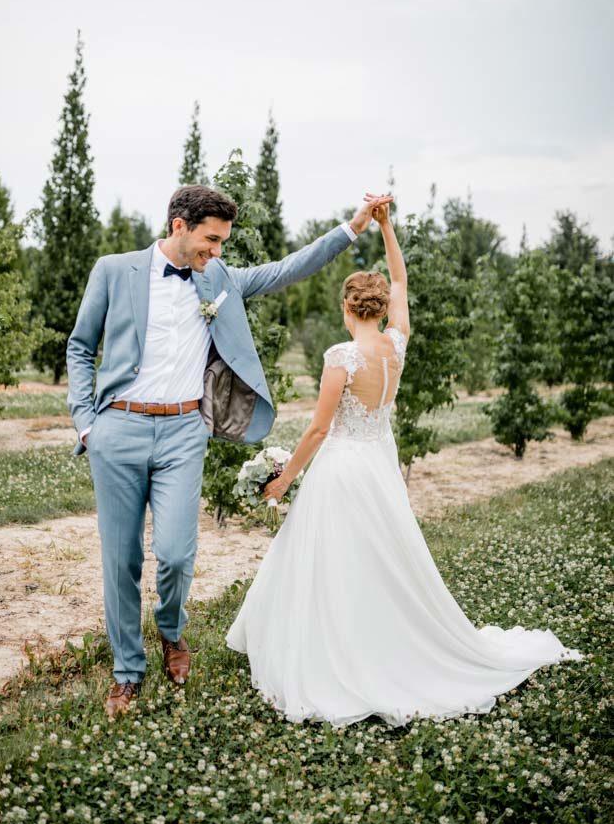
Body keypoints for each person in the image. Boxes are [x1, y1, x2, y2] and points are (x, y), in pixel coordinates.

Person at [226, 193, 583, 726]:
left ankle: (335, 650)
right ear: (378, 308)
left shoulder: (341, 357)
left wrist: (283, 479)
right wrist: (387, 228)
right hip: (378, 466)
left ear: (347, 308)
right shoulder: (397, 344)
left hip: (342, 469)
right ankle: (379, 639)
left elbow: (319, 429)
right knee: (378, 557)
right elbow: (401, 281)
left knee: (334, 560)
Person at [66, 183, 383, 718]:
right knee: (120, 560)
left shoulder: (220, 278)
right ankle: (126, 672)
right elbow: (79, 346)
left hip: (183, 432)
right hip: (117, 430)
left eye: (222, 243)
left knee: (175, 553)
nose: (217, 251)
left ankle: (171, 630)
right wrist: (86, 425)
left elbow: (288, 269)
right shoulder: (114, 271)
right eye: (211, 240)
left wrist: (352, 228)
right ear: (179, 227)